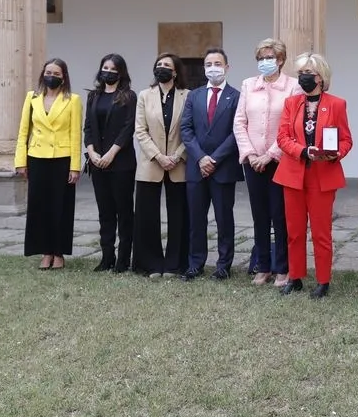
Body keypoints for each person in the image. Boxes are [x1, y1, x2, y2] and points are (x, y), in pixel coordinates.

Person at [274, 52, 352, 298]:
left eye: (308, 73)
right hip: (293, 175)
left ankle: (323, 280)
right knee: (294, 231)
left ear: (321, 77)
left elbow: (346, 140)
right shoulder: (291, 103)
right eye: (300, 73)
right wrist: (303, 151)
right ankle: (295, 277)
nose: (303, 78)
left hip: (322, 176)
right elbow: (282, 137)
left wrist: (335, 154)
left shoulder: (337, 104)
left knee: (321, 232)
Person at [234, 38, 301, 287]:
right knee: (259, 215)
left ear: (281, 60)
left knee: (280, 215)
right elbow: (239, 122)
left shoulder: (293, 87)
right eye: (261, 58)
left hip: (279, 160)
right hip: (252, 162)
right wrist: (251, 154)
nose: (265, 62)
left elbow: (291, 125)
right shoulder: (248, 85)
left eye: (269, 58)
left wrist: (270, 155)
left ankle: (282, 267)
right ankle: (263, 266)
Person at [179, 48, 244, 281]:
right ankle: (195, 264)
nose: (213, 68)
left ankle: (224, 265)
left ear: (227, 67)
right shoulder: (194, 96)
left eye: (217, 63)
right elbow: (186, 129)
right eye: (208, 64)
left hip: (223, 168)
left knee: (224, 219)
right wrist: (200, 157)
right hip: (197, 168)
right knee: (196, 219)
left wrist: (214, 158)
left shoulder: (236, 96)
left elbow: (237, 132)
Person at [14, 58, 82, 270]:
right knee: (39, 206)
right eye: (48, 72)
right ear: (43, 75)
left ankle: (59, 252)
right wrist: (20, 161)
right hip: (37, 157)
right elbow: (23, 131)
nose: (51, 76)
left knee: (61, 207)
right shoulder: (32, 98)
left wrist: (75, 166)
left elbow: (75, 135)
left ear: (64, 77)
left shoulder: (73, 100)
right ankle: (45, 252)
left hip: (62, 159)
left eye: (56, 73)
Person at [133, 53, 190, 278]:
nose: (162, 68)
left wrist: (176, 156)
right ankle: (150, 264)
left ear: (175, 72)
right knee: (146, 215)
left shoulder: (188, 96)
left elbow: (190, 129)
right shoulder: (144, 96)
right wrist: (158, 156)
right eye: (159, 64)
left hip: (178, 163)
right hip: (151, 163)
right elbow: (140, 130)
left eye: (167, 65)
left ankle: (176, 264)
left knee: (179, 216)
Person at [84, 53, 138, 273]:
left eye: (113, 69)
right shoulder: (93, 96)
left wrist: (111, 153)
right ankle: (107, 256)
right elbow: (88, 127)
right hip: (97, 162)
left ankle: (123, 259)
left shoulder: (129, 96)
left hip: (121, 163)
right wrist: (91, 152)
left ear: (121, 73)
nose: (108, 72)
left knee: (124, 212)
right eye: (105, 68)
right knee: (105, 212)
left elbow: (128, 128)